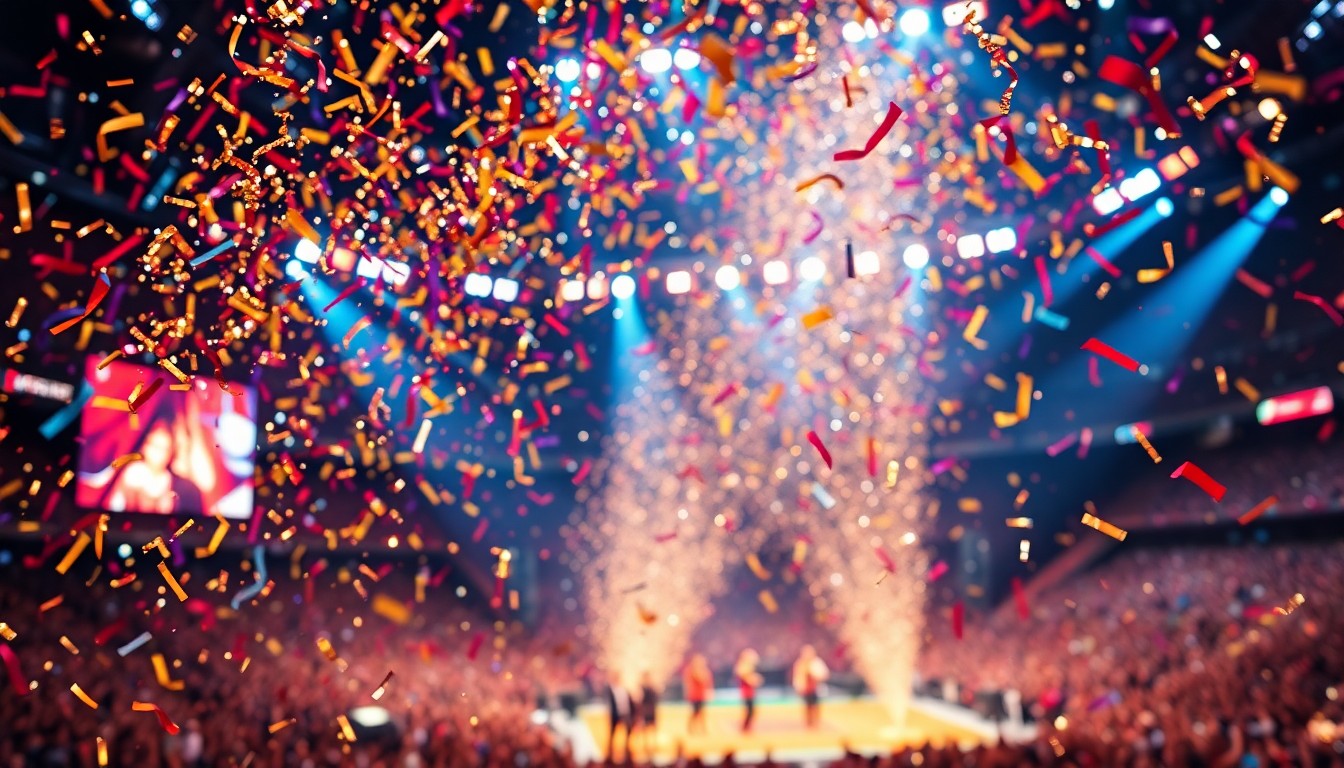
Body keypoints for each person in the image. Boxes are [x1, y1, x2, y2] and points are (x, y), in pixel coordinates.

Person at [104, 416, 206, 514]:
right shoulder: (130, 474)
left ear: (171, 452)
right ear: (145, 446)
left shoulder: (180, 486)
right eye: (155, 446)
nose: (158, 453)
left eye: (164, 448)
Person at [792, 645, 829, 729]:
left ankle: (816, 723)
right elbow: (798, 677)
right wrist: (798, 687)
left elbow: (824, 674)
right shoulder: (800, 663)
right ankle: (808, 723)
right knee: (807, 706)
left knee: (816, 706)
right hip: (806, 690)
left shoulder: (817, 663)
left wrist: (814, 675)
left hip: (816, 689)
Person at [605, 670, 635, 762]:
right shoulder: (610, 690)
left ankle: (627, 755)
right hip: (615, 716)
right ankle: (610, 756)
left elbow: (630, 703)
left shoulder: (624, 689)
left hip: (625, 714)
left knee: (628, 736)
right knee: (612, 736)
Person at [682, 654, 713, 735]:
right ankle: (691, 729)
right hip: (694, 695)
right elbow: (700, 678)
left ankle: (702, 729)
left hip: (701, 695)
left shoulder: (703, 670)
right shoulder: (691, 670)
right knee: (695, 712)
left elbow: (708, 682)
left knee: (702, 713)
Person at [734, 648, 763, 733]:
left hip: (750, 693)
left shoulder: (746, 668)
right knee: (749, 712)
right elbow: (746, 678)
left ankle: (747, 728)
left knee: (751, 712)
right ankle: (745, 728)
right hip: (746, 694)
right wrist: (754, 679)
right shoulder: (742, 667)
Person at [636, 671, 660, 757]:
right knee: (645, 730)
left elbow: (656, 698)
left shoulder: (651, 687)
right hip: (645, 711)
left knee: (652, 728)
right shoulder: (642, 688)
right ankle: (646, 746)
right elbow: (639, 701)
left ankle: (652, 745)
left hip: (652, 711)